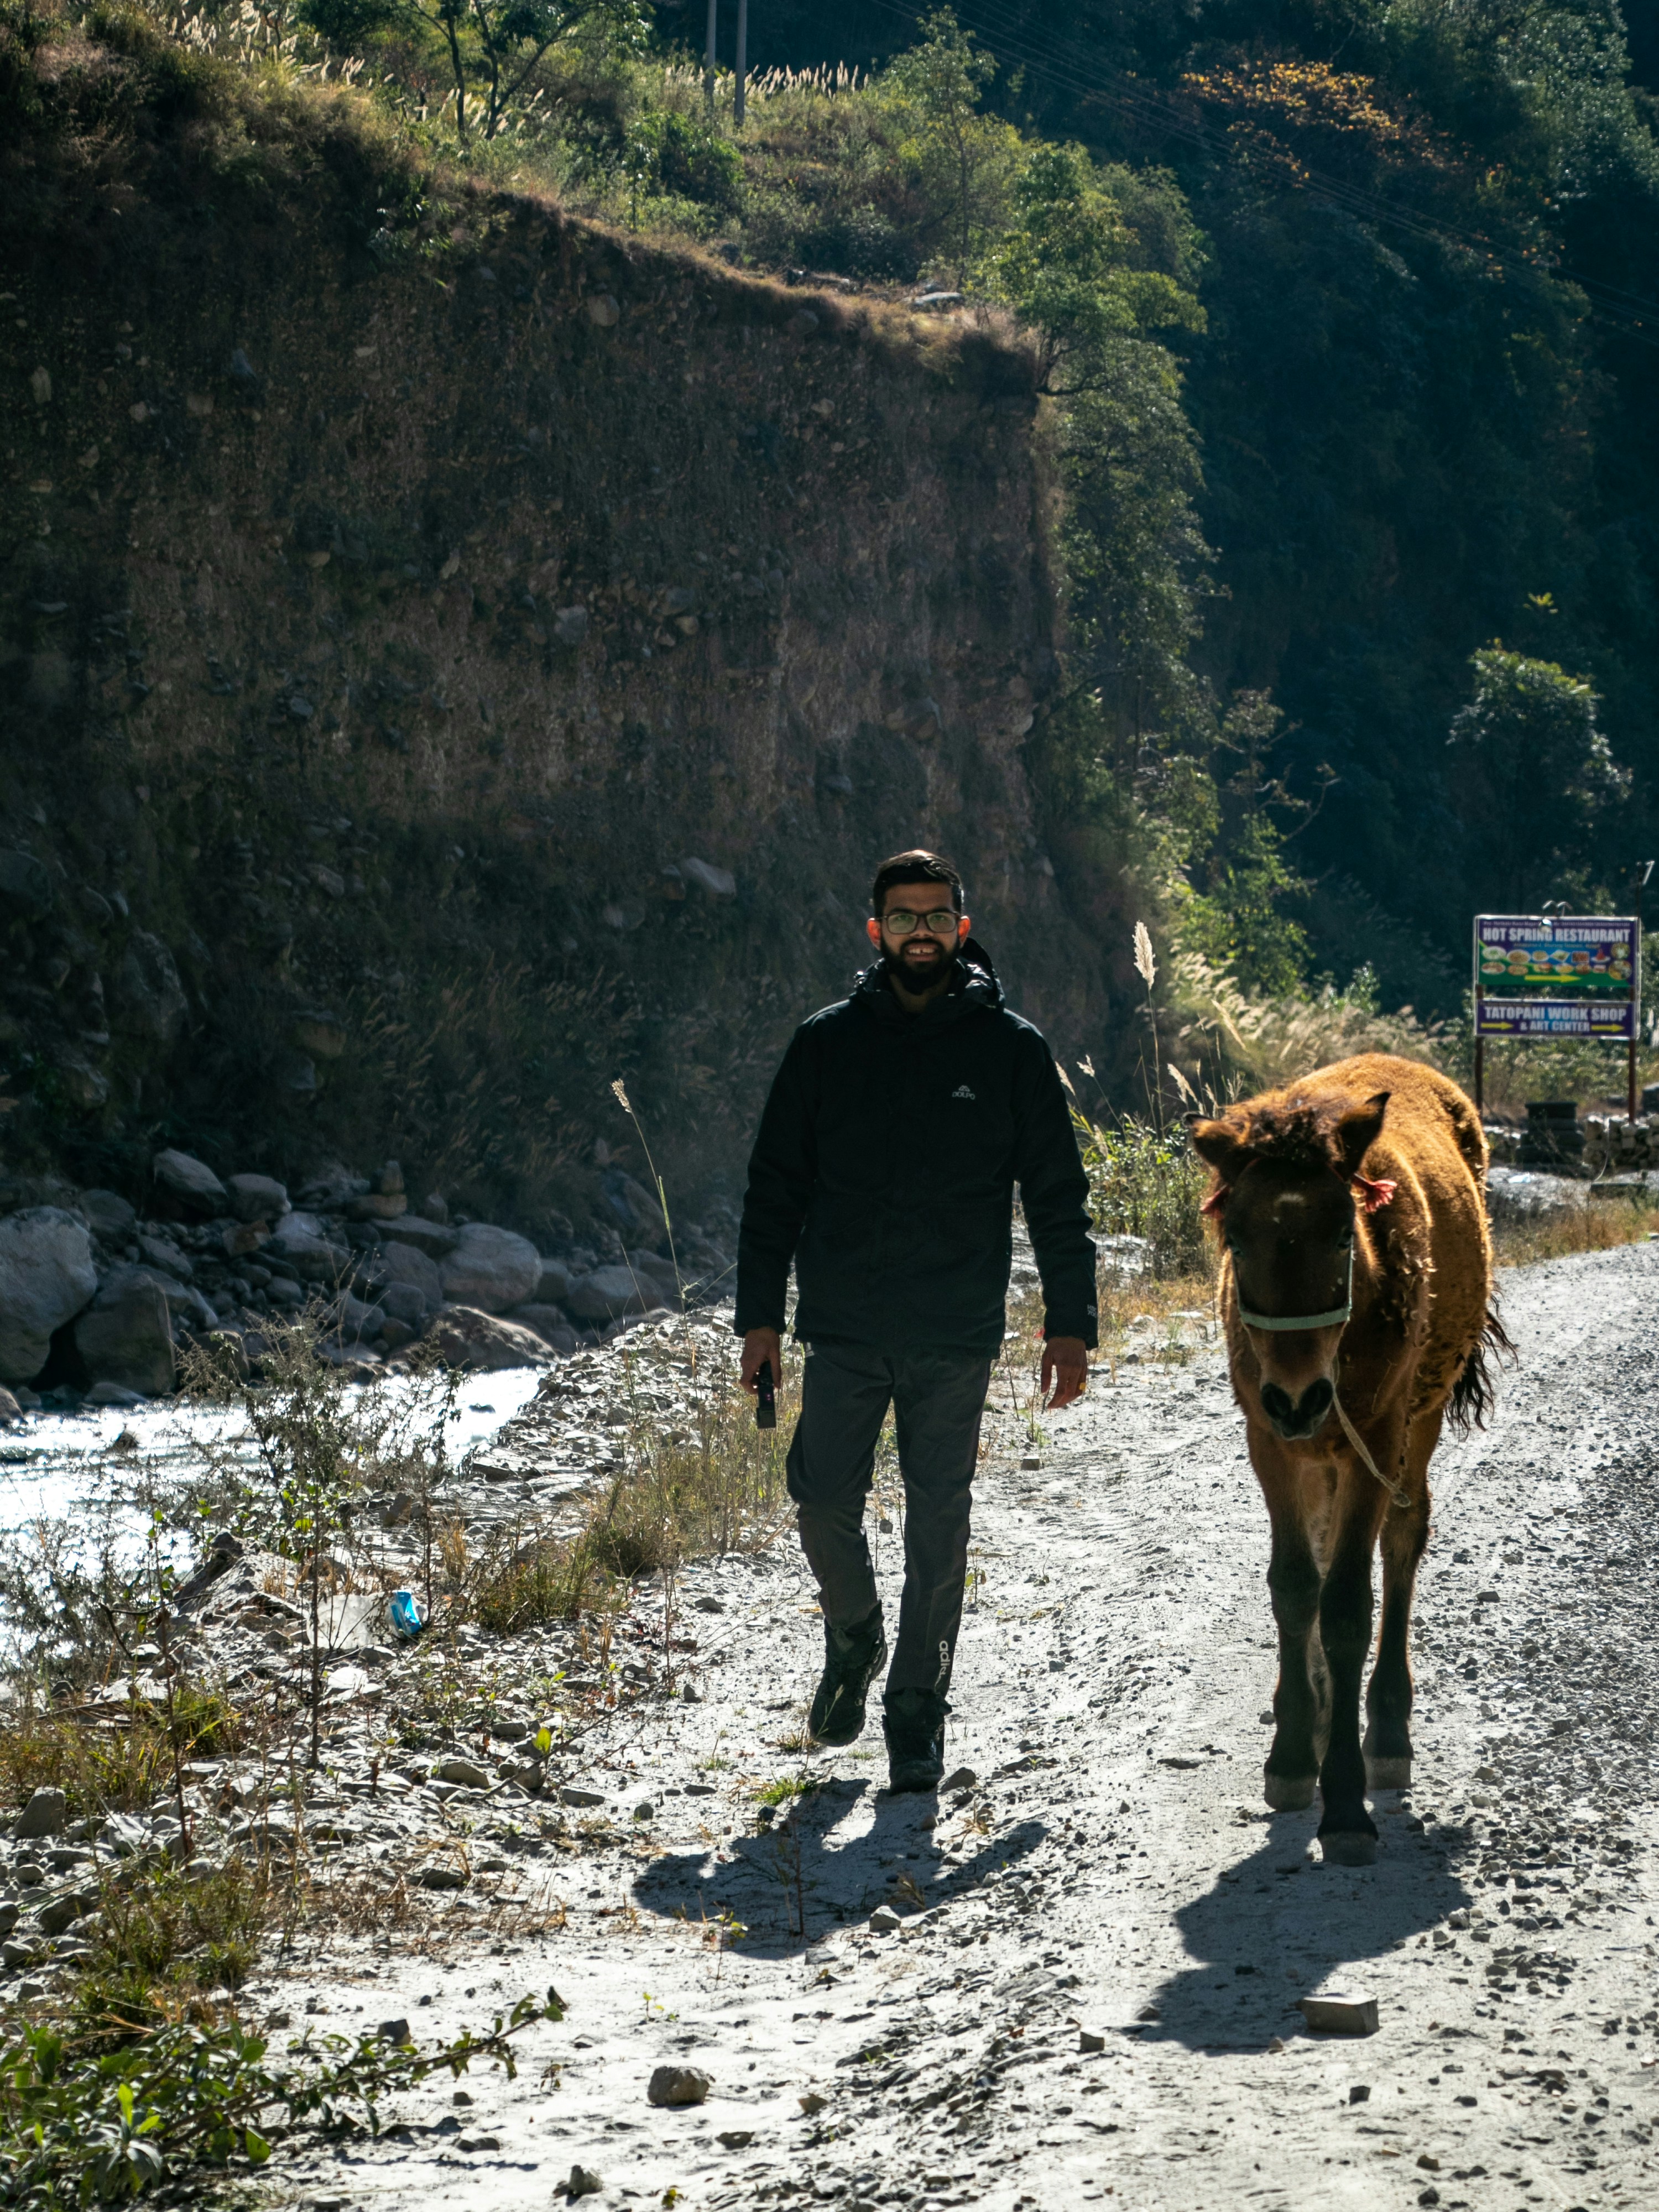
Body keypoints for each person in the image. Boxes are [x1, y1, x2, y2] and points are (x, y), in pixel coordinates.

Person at [735, 849, 1096, 1792]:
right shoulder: (825, 1044)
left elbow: (1058, 1194)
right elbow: (774, 1188)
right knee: (819, 1499)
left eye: (937, 916)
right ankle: (855, 1637)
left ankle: (917, 1712)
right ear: (876, 933)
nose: (922, 932)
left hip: (956, 1326)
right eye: (903, 918)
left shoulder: (1011, 1051)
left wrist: (1072, 1324)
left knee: (940, 1521)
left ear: (963, 928)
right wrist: (760, 1318)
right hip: (846, 1323)